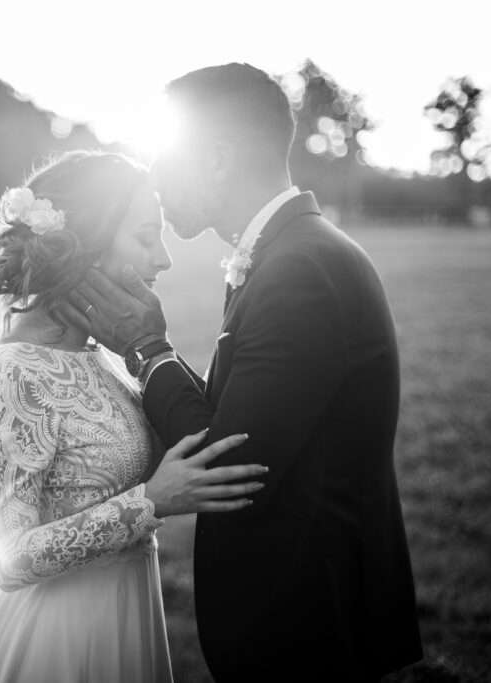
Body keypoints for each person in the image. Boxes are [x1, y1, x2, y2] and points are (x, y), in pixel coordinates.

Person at [62, 64, 424, 682]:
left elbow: (228, 462)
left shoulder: (300, 270)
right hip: (310, 608)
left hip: (305, 624)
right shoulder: (293, 253)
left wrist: (148, 347)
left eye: (166, 158)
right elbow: (248, 421)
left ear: (218, 159)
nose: (156, 178)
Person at [0, 151, 268, 682]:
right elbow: (5, 559)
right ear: (84, 244)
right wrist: (152, 501)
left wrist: (153, 349)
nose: (164, 259)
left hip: (127, 614)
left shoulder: (105, 356)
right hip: (53, 636)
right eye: (144, 236)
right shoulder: (11, 371)